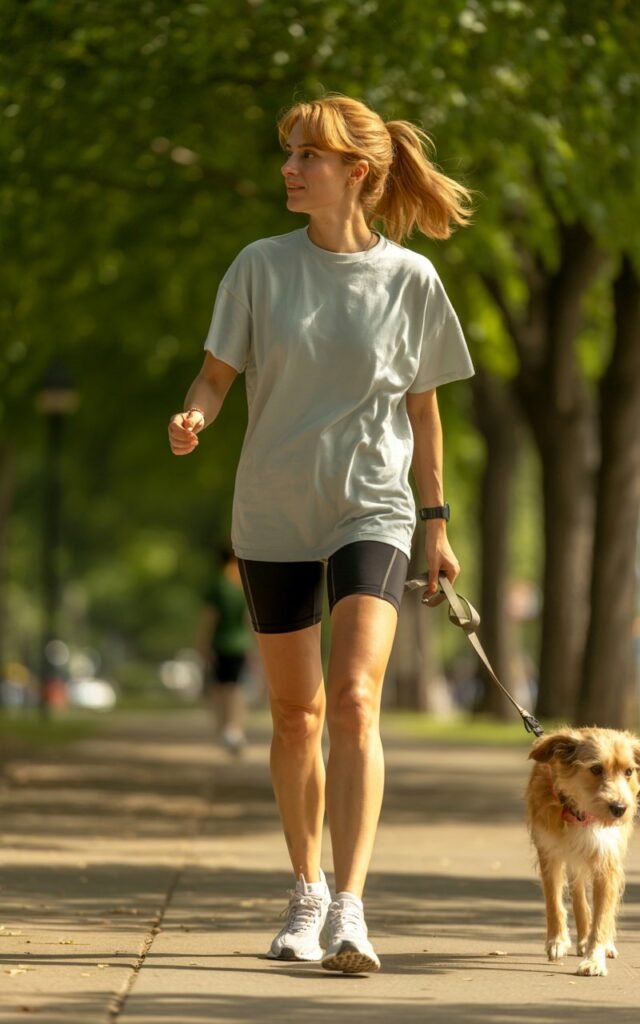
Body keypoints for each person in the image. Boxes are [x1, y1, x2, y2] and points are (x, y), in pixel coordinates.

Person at [168, 94, 474, 974]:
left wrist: (436, 522)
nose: (289, 168)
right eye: (289, 153)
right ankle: (302, 892)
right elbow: (215, 377)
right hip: (272, 513)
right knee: (295, 715)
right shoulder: (259, 266)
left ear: (357, 173)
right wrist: (193, 417)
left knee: (354, 700)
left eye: (307, 155)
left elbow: (424, 410)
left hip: (370, 509)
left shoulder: (411, 280)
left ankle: (350, 905)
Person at [196, 543, 253, 754]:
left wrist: (202, 645)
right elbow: (249, 619)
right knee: (236, 686)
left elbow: (208, 619)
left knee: (220, 687)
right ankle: (235, 728)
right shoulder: (242, 584)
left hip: (220, 644)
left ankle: (224, 729)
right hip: (241, 644)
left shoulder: (217, 585)